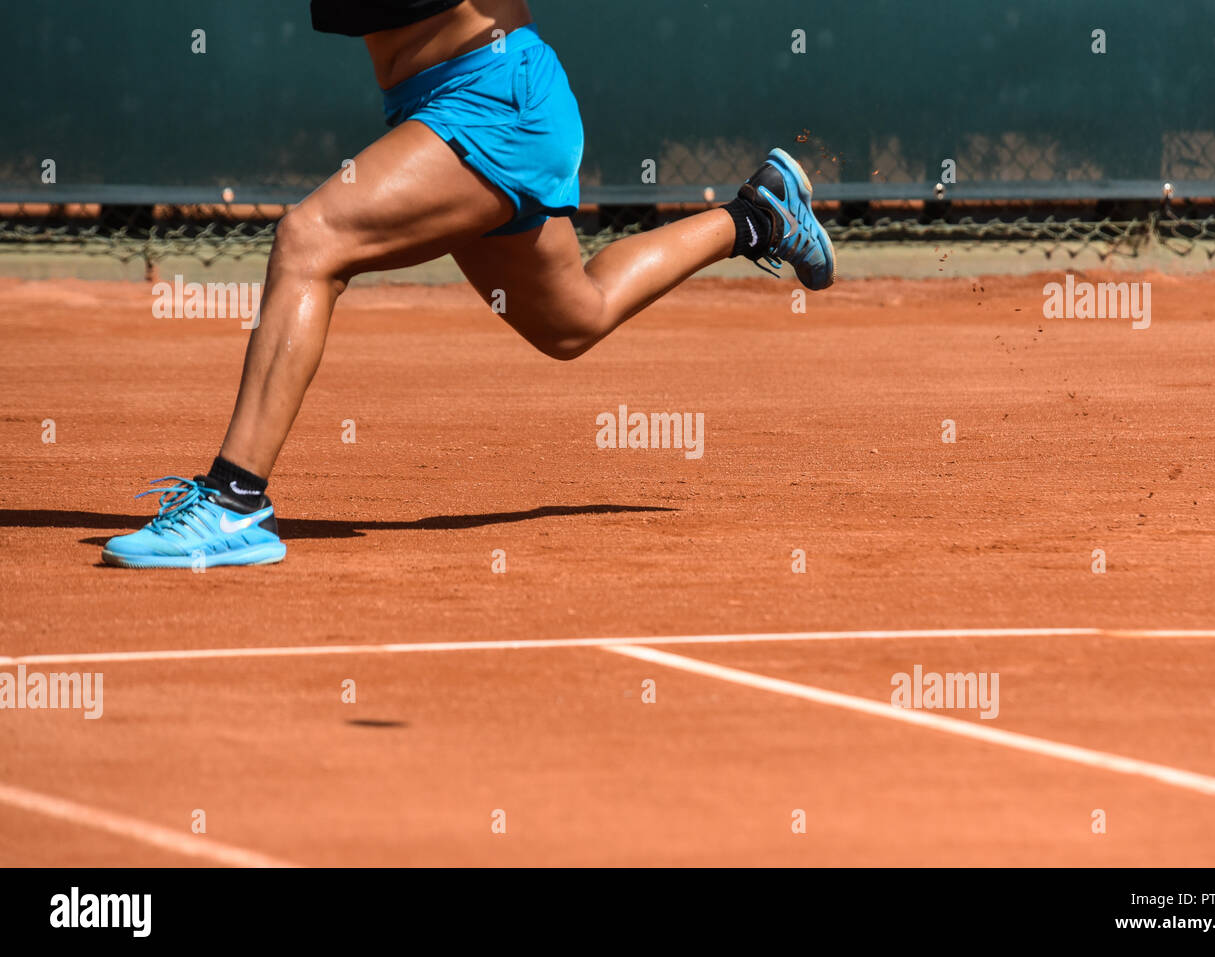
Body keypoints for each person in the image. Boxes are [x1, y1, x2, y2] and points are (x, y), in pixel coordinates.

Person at [102, 0, 836, 568]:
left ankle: (233, 503)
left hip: (495, 100)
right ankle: (757, 217)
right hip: (438, 103)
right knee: (571, 319)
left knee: (311, 240)